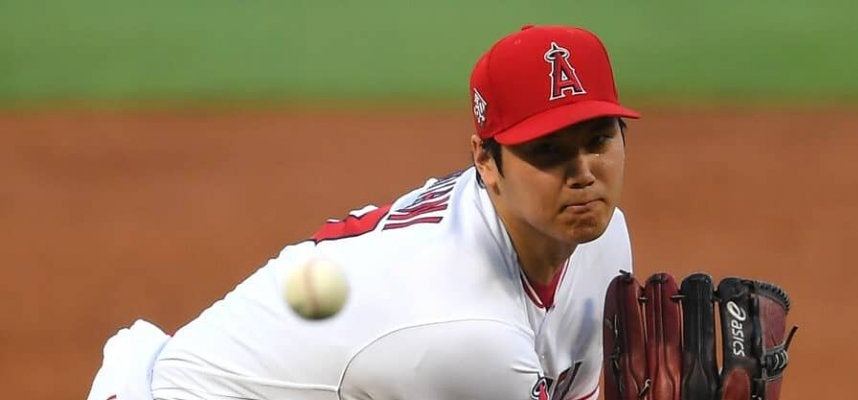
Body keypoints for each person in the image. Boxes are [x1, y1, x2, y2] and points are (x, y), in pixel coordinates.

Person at [88, 24, 641, 400]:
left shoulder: (602, 238)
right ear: (486, 161)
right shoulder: (465, 332)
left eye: (598, 140)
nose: (583, 173)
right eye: (548, 151)